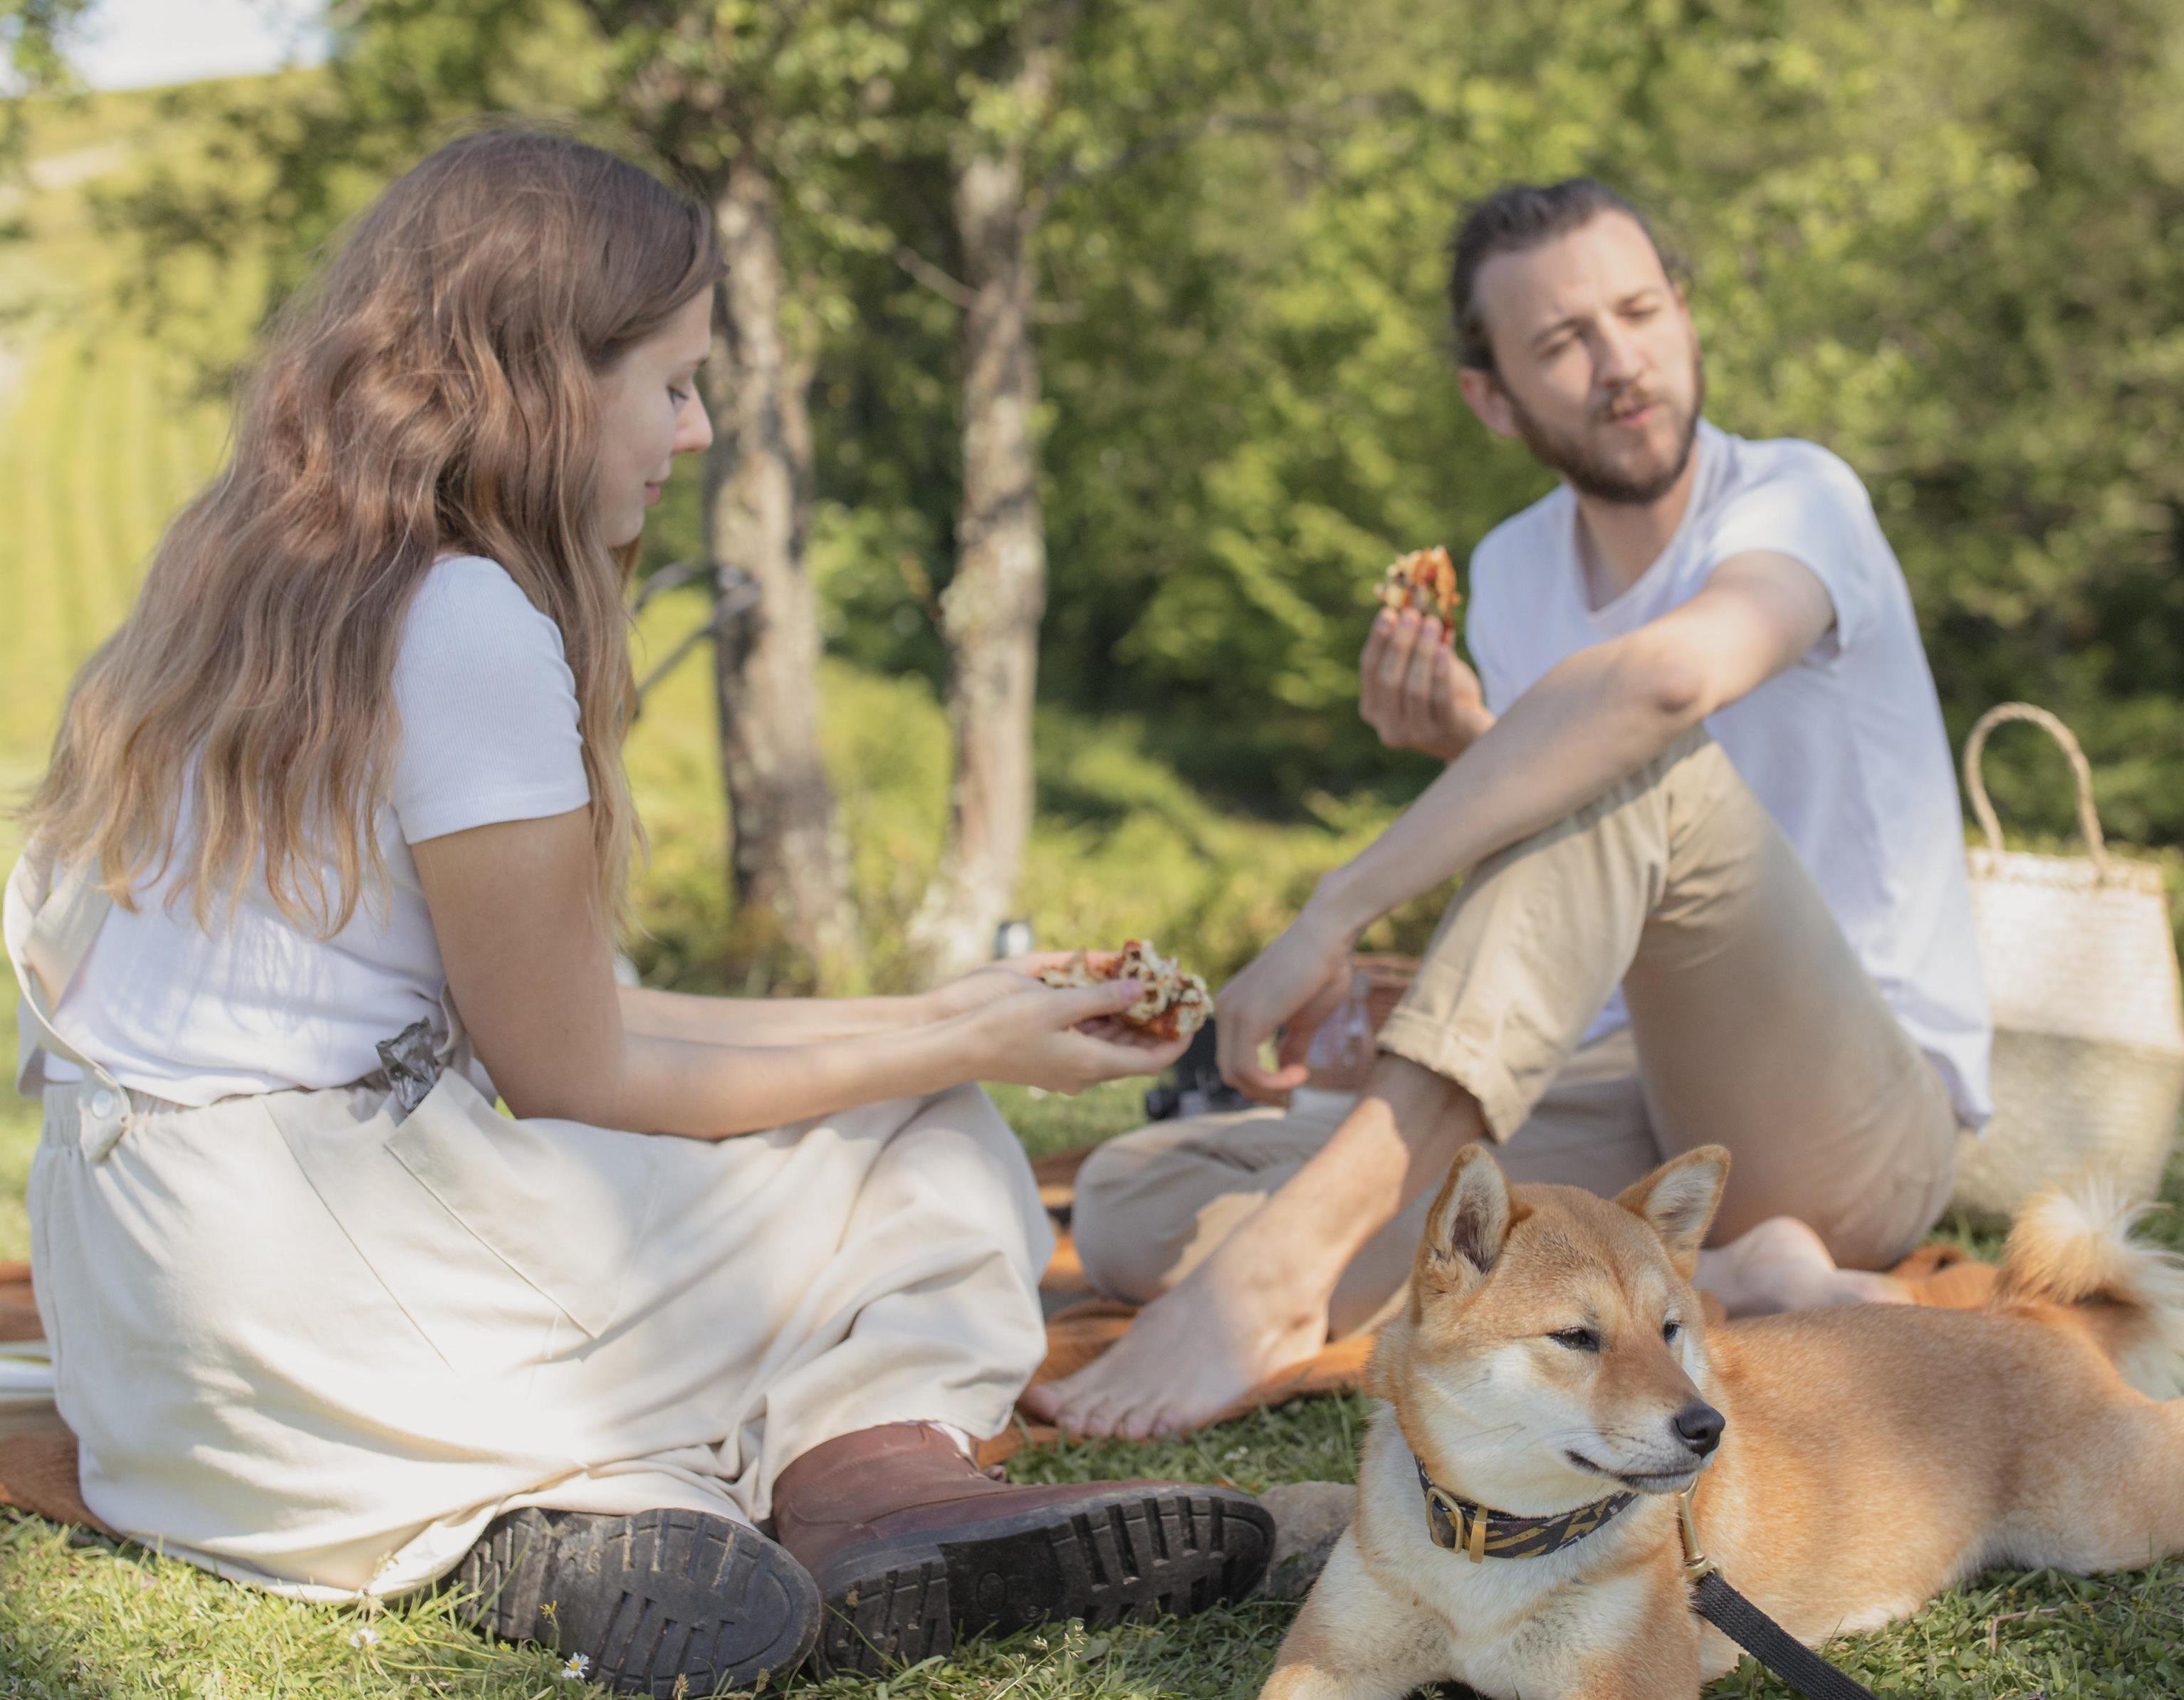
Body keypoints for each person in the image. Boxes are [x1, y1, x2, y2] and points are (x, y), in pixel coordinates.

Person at [4, 130, 1268, 1695]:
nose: (697, 427)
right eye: (669, 383)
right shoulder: (460, 615)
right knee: (939, 1145)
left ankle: (596, 1517)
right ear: (541, 383)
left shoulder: (254, 580)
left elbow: (555, 1015)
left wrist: (960, 1011)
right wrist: (954, 1063)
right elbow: (580, 1072)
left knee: (915, 1087)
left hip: (158, 1338)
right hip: (317, 1278)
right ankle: (877, 1483)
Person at [1025, 178, 1995, 1441]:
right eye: (1561, 342)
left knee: (1632, 748)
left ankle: (1279, 1278)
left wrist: (1336, 915)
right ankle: (1731, 1281)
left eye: (1640, 312)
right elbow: (1590, 872)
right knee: (1134, 1198)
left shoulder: (1800, 498)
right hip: (1627, 1083)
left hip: (1848, 1111)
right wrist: (1473, 751)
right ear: (1493, 397)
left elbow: (1660, 690)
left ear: (1686, 317)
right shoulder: (1513, 566)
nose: (1620, 362)